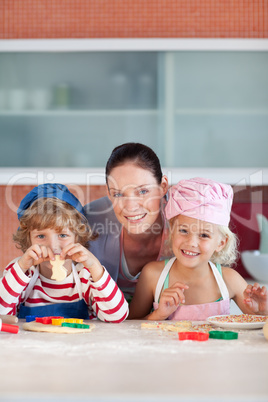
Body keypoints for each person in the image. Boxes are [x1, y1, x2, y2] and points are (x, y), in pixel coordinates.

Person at [128, 177, 268, 320]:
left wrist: (262, 312)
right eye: (183, 231)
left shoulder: (230, 280)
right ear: (171, 231)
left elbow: (259, 326)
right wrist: (159, 314)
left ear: (221, 243)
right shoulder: (153, 275)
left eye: (204, 235)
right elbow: (129, 327)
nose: (191, 242)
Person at [0, 183, 128, 322]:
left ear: (77, 237)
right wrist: (21, 267)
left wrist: (95, 266)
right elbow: (2, 313)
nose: (53, 246)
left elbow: (117, 316)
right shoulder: (21, 273)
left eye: (62, 235)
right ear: (28, 239)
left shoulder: (84, 276)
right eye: (41, 236)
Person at [84, 143, 173, 302]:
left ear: (163, 187)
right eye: (118, 194)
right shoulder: (88, 222)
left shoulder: (184, 221)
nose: (131, 207)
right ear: (109, 193)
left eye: (143, 191)